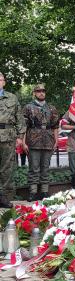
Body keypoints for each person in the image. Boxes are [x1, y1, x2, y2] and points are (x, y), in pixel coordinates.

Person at [23, 84, 60, 201]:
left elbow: (55, 126)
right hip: (33, 141)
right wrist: (23, 142)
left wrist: (56, 140)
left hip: (48, 141)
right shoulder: (28, 107)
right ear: (34, 93)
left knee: (45, 168)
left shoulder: (51, 108)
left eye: (43, 91)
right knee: (34, 168)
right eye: (38, 91)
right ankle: (33, 192)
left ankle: (44, 192)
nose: (41, 93)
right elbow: (24, 127)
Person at [0, 72, 26, 208]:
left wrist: (20, 137)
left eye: (0, 80)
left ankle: (4, 198)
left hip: (8, 137)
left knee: (7, 168)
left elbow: (20, 119)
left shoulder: (12, 98)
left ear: (4, 82)